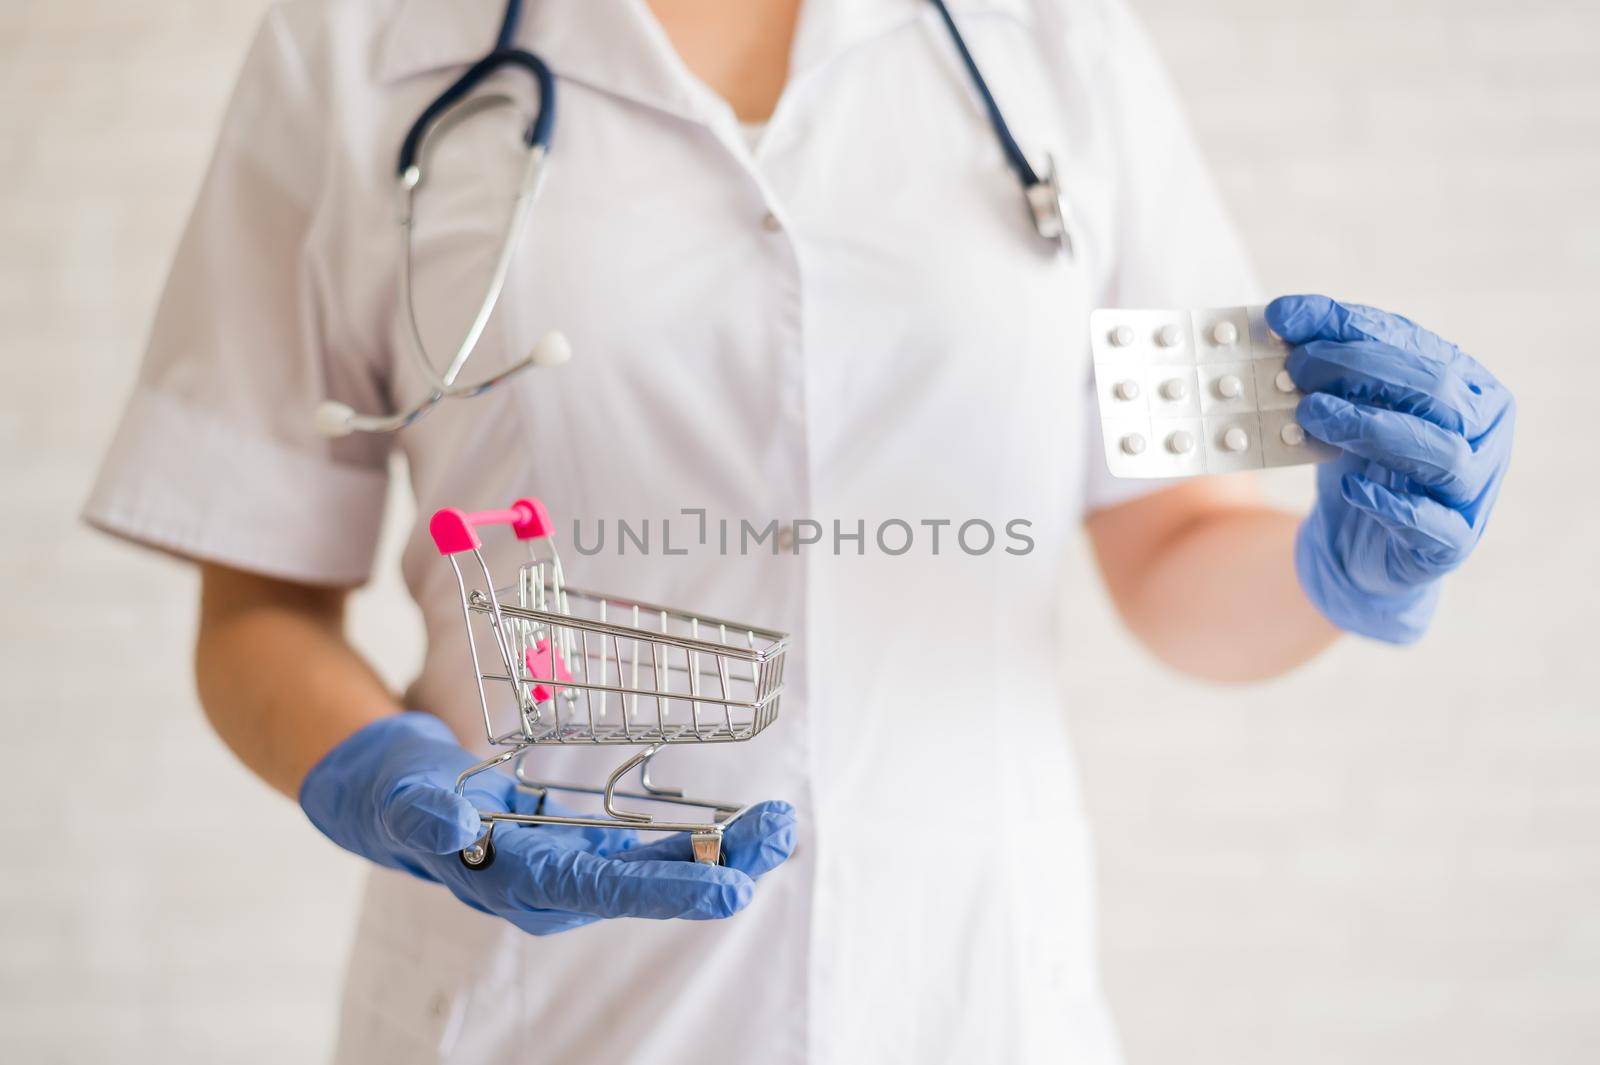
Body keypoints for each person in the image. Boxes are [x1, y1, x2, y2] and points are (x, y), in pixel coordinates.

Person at [82, 0, 1514, 1062]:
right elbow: (258, 602)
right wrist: (389, 778)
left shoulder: (1057, 47)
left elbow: (1175, 540)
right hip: (534, 1020)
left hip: (973, 1004)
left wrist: (1343, 572)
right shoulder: (362, 40)